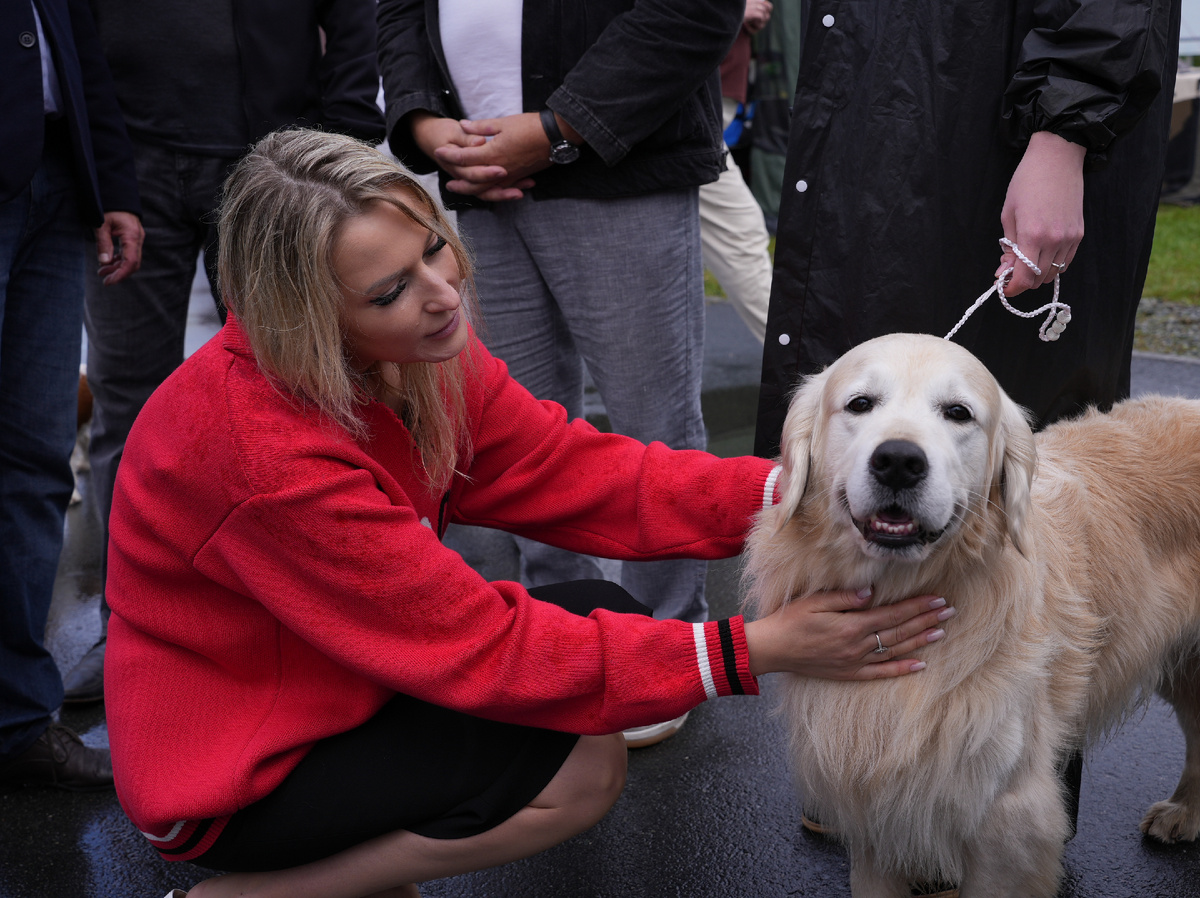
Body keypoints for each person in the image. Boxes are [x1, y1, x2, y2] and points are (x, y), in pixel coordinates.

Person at [102, 129, 956, 898]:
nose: (443, 295)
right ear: (307, 319)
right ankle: (268, 893)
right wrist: (753, 649)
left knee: (600, 626)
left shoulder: (411, 353)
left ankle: (352, 871)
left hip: (342, 687)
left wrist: (810, 489)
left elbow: (575, 471)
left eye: (436, 247)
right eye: (392, 289)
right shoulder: (261, 455)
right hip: (234, 773)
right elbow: (479, 646)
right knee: (581, 769)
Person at [753, 0, 1182, 872]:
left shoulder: (1007, 488)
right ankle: (891, 804)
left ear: (1006, 472)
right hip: (892, 154)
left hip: (1022, 147)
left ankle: (979, 810)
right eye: (859, 412)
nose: (898, 446)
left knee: (1004, 819)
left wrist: (1064, 131)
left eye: (957, 421)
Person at [377, 5, 744, 746]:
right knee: (507, 438)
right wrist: (424, 126)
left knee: (654, 419)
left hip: (618, 166)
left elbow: (696, 10)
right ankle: (559, 639)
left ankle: (668, 647)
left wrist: (556, 128)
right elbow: (397, 13)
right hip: (473, 178)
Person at [62, 0, 386, 704]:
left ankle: (324, 618)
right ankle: (132, 634)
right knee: (129, 405)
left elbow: (354, 20)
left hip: (270, 169)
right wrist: (90, 164)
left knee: (300, 392)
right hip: (126, 168)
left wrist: (346, 150)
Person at [0, 0, 142, 791]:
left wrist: (109, 182)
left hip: (56, 176)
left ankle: (18, 725)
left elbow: (73, 36)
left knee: (37, 467)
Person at [700, 0, 775, 344]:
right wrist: (728, 7)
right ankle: (810, 376)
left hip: (704, 96)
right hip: (685, 100)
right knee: (741, 237)